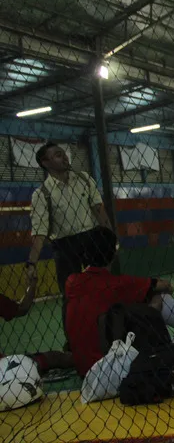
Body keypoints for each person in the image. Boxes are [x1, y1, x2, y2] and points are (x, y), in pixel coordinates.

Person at [65, 227, 174, 377]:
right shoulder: (119, 284)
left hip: (85, 369)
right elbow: (167, 287)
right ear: (114, 254)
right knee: (161, 298)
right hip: (114, 366)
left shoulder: (72, 282)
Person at [28, 142, 113, 339]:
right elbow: (40, 231)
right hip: (65, 246)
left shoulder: (84, 179)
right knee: (71, 297)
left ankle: (109, 332)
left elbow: (98, 210)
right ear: (45, 162)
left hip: (92, 239)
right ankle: (74, 341)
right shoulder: (42, 194)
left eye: (64, 154)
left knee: (104, 287)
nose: (65, 157)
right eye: (58, 155)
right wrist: (32, 262)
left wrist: (111, 240)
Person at [1, 272, 74, 377]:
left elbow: (21, 308)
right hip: (4, 367)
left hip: (4, 367)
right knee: (56, 357)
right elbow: (22, 308)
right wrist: (32, 284)